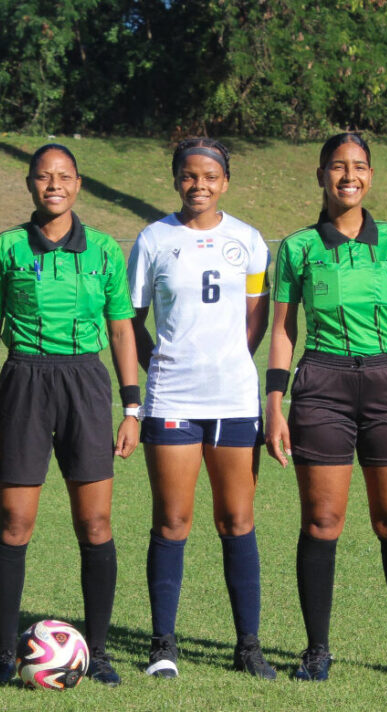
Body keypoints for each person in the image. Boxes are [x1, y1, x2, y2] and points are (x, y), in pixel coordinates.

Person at [265, 133, 387, 683]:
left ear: (370, 176)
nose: (349, 175)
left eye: (360, 166)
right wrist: (275, 403)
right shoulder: (297, 248)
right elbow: (281, 332)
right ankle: (316, 649)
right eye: (339, 166)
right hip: (322, 384)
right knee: (323, 521)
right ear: (320, 173)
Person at [0, 143, 139, 686]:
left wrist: (132, 406)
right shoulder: (4, 249)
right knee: (15, 523)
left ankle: (100, 650)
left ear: (78, 184)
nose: (54, 185)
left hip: (86, 383)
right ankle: (4, 652)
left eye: (63, 176)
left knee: (94, 523)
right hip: (23, 381)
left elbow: (121, 330)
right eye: (43, 176)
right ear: (29, 184)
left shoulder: (105, 252)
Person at [126, 138, 275, 679]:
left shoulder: (250, 241)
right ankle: (163, 644)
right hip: (172, 398)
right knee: (172, 520)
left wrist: (233, 359)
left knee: (237, 518)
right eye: (189, 176)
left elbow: (256, 315)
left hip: (234, 397)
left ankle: (248, 645)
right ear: (175, 179)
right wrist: (159, 364)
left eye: (210, 177)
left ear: (225, 182)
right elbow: (130, 321)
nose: (199, 186)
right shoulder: (153, 240)